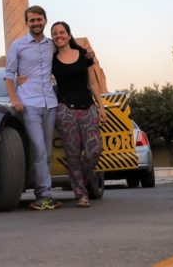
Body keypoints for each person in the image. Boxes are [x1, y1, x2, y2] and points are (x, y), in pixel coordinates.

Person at [4, 5, 62, 210]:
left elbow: (69, 54)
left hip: (50, 103)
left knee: (45, 151)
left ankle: (43, 193)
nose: (36, 23)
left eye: (39, 19)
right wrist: (14, 99)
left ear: (45, 20)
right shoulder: (18, 46)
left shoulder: (51, 45)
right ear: (26, 23)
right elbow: (9, 74)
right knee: (38, 148)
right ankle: (44, 195)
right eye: (32, 20)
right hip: (28, 103)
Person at [50, 21, 106, 208]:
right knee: (72, 154)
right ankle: (81, 193)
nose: (59, 35)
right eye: (55, 33)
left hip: (87, 107)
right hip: (65, 109)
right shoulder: (51, 59)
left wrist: (101, 106)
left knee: (94, 149)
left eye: (62, 32)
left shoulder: (84, 55)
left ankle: (80, 180)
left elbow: (93, 83)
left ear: (68, 34)